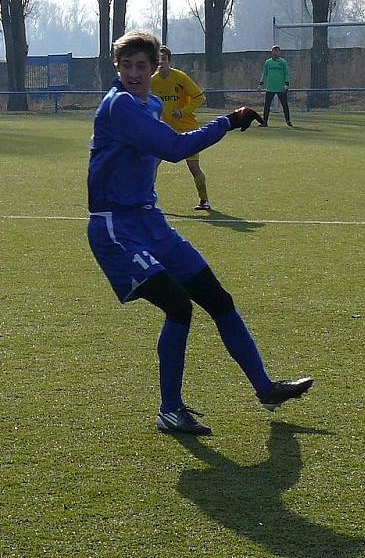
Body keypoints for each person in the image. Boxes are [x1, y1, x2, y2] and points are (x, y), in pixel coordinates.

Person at [87, 32, 313, 435]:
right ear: (116, 67)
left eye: (142, 66)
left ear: (155, 66)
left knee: (218, 299)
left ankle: (266, 389)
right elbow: (174, 149)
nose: (135, 73)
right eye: (127, 66)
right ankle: (170, 411)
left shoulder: (150, 103)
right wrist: (227, 121)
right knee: (179, 306)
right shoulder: (119, 105)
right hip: (115, 227)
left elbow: (154, 151)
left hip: (150, 221)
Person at [150, 46, 211, 210]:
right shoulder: (152, 81)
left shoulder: (180, 78)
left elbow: (200, 98)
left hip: (188, 129)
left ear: (170, 61)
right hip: (166, 131)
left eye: (163, 61)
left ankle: (204, 200)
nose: (160, 64)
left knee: (193, 168)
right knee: (152, 163)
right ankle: (147, 199)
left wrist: (183, 112)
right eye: (157, 61)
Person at [258, 45, 292, 127]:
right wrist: (260, 84)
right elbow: (264, 73)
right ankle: (264, 122)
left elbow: (287, 73)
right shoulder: (268, 62)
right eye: (274, 51)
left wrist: (286, 84)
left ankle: (288, 121)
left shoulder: (283, 62)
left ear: (279, 52)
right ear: (272, 52)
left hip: (281, 88)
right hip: (270, 88)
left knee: (285, 105)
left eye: (277, 51)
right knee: (267, 106)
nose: (275, 53)